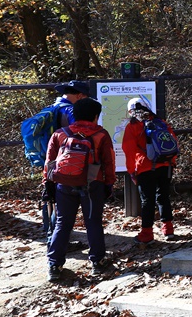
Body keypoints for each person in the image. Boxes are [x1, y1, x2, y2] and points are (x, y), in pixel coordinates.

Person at [45, 97, 116, 281]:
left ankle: (54, 265)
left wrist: (48, 182)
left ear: (73, 115)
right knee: (93, 223)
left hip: (64, 184)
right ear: (95, 116)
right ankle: (97, 262)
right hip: (92, 185)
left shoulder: (60, 134)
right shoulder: (101, 135)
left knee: (62, 223)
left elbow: (50, 162)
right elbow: (109, 162)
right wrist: (109, 184)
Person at [122, 97, 178, 242]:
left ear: (130, 111)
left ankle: (147, 234)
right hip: (166, 165)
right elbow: (173, 143)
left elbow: (128, 150)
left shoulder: (133, 126)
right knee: (163, 197)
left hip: (145, 167)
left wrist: (131, 171)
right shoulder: (161, 122)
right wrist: (172, 162)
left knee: (147, 200)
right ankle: (168, 229)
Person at [41, 80, 90, 236]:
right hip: (64, 160)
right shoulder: (70, 110)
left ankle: (50, 234)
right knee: (60, 202)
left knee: (50, 194)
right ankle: (57, 238)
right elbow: (80, 135)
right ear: (80, 95)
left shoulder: (52, 108)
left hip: (48, 157)